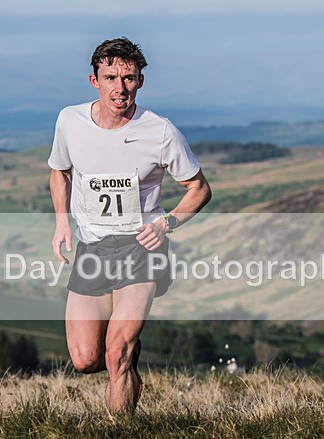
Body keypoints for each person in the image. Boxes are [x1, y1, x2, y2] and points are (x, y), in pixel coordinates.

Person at [48, 37, 211, 414]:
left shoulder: (160, 131)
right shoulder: (69, 121)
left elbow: (199, 189)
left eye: (129, 78)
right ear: (94, 80)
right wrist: (61, 222)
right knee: (86, 359)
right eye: (110, 78)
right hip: (93, 249)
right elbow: (59, 171)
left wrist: (166, 224)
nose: (119, 88)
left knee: (115, 352)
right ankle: (131, 366)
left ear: (141, 81)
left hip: (142, 249)